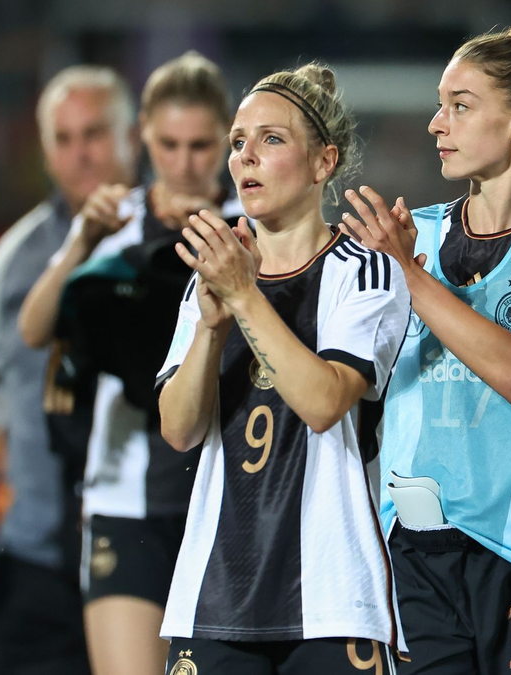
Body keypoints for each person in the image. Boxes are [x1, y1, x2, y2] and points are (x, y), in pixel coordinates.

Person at [344, 4, 511, 673]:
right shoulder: (415, 236)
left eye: (461, 105)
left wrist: (408, 275)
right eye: (440, 105)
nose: (438, 123)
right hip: (415, 554)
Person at [156, 63, 410, 674]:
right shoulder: (212, 282)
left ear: (324, 163)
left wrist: (244, 298)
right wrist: (214, 325)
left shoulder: (365, 271)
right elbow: (179, 430)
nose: (246, 158)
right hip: (213, 594)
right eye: (238, 143)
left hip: (332, 598)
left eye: (271, 140)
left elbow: (324, 404)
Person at [15, 52, 240, 675]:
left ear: (227, 136)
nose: (185, 162)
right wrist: (82, 242)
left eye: (200, 145)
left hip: (226, 497)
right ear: (143, 134)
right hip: (126, 495)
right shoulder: (113, 220)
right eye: (168, 144)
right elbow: (34, 328)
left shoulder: (249, 229)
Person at [0, 64, 138, 675]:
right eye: (64, 139)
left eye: (94, 134)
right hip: (34, 548)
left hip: (145, 550)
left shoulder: (180, 237)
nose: (80, 154)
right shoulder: (15, 257)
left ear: (129, 136)